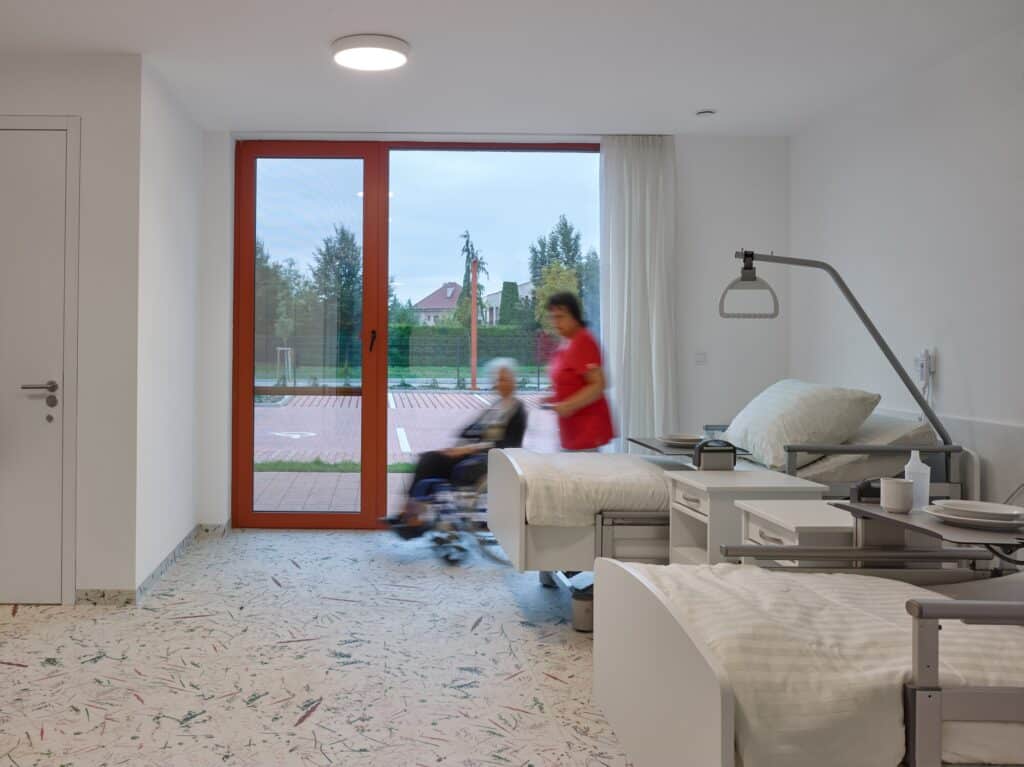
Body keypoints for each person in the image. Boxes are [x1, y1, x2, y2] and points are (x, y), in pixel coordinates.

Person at [392, 359, 526, 529]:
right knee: (429, 459)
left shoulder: (517, 410)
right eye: (497, 379)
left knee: (431, 462)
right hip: (473, 452)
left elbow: (507, 444)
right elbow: (471, 429)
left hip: (490, 459)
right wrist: (457, 446)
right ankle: (411, 511)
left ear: (513, 381)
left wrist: (468, 448)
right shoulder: (497, 406)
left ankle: (413, 514)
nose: (499, 383)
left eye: (503, 379)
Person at [544, 292, 614, 451]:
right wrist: (554, 395)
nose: (556, 322)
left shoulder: (584, 341)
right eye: (553, 317)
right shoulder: (566, 342)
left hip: (586, 430)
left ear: (574, 316)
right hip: (570, 431)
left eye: (560, 317)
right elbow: (571, 380)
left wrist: (569, 405)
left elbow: (598, 385)